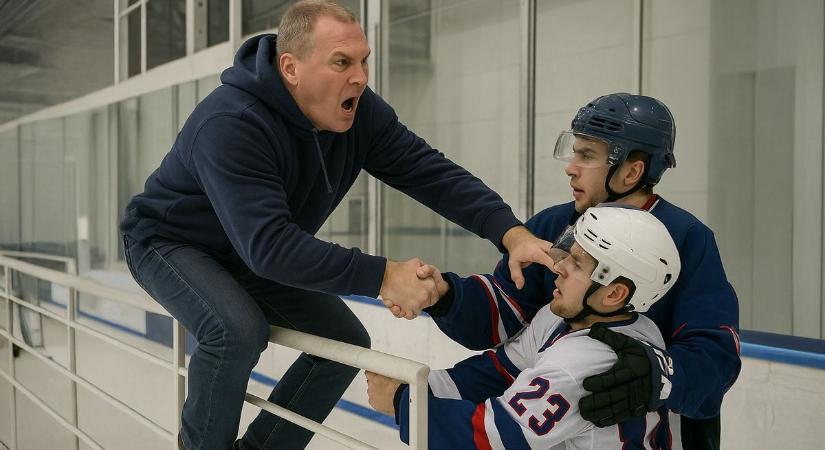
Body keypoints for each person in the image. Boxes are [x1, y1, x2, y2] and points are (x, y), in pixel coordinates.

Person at [119, 1, 555, 449]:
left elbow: (430, 173)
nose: (361, 77)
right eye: (342, 62)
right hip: (169, 243)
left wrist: (510, 232)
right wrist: (385, 276)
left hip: (248, 250)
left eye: (364, 60)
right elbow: (269, 247)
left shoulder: (361, 114)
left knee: (344, 341)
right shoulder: (231, 122)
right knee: (235, 331)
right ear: (291, 67)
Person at [395, 93, 741, 450]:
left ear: (632, 171)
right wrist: (446, 296)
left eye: (587, 155)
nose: (570, 166)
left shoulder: (685, 238)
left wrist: (661, 375)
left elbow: (716, 354)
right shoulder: (555, 223)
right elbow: (505, 314)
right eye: (573, 151)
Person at [367, 205, 681, 448]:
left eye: (578, 264)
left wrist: (401, 403)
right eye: (568, 255)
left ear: (614, 293)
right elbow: (498, 372)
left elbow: (489, 439)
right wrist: (415, 389)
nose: (559, 268)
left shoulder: (582, 364)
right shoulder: (562, 317)